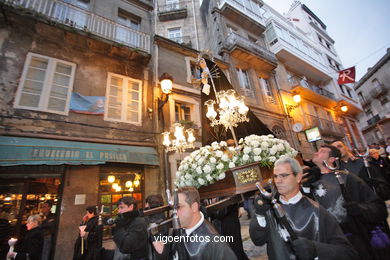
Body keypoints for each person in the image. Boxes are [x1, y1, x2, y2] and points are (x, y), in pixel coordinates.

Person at [249, 157, 357, 260]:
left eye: (283, 176)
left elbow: (347, 252)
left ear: (298, 177)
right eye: (275, 176)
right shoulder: (268, 207)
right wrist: (260, 214)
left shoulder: (316, 211)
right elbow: (258, 240)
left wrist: (315, 249)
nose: (278, 181)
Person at [304, 144, 389, 259]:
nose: (316, 153)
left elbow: (379, 208)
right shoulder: (310, 181)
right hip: (330, 243)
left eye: (322, 151)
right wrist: (305, 188)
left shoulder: (346, 178)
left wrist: (361, 209)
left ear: (332, 159)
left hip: (355, 240)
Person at [152, 186, 237, 260]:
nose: (174, 213)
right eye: (172, 208)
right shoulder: (176, 231)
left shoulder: (215, 244)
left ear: (194, 207)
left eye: (178, 207)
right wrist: (155, 237)